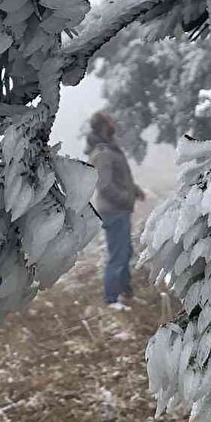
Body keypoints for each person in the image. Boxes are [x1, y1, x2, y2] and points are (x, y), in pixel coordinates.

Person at [86, 111, 145, 310]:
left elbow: (121, 178)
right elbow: (104, 185)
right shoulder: (102, 152)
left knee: (125, 251)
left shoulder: (110, 149)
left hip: (119, 210)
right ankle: (111, 299)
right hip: (114, 212)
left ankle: (126, 292)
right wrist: (126, 198)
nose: (114, 123)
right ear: (103, 126)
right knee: (118, 255)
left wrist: (134, 191)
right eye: (110, 120)